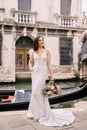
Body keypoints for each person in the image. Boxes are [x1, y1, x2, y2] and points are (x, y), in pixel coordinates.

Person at [27, 35, 75, 126]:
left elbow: (49, 65)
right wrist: (30, 68)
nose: (41, 42)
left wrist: (51, 76)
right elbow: (30, 62)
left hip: (43, 73)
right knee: (36, 92)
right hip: (35, 72)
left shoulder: (47, 51)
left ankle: (42, 112)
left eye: (42, 40)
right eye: (40, 40)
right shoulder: (34, 52)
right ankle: (37, 113)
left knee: (36, 92)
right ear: (37, 42)